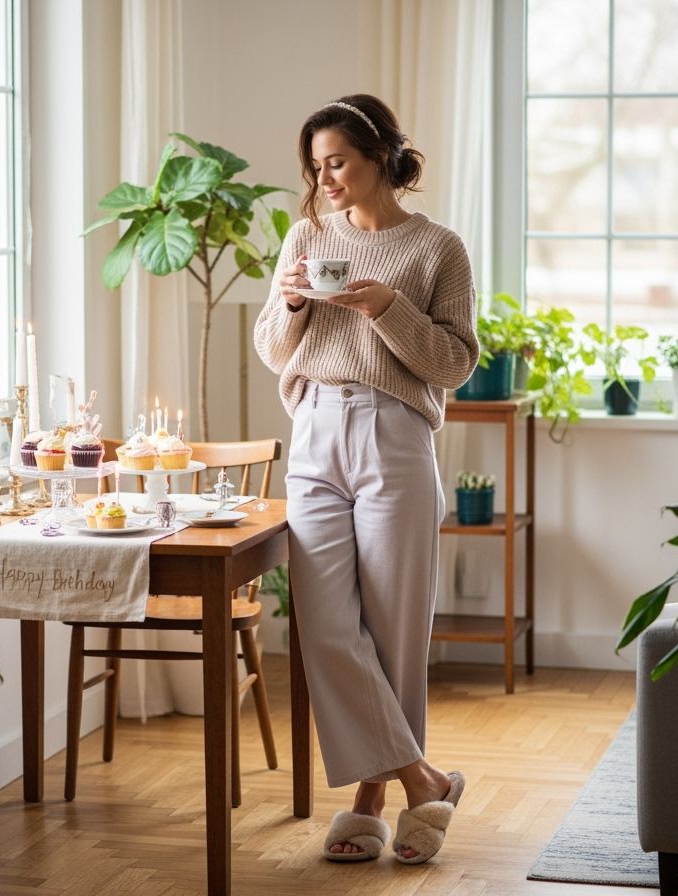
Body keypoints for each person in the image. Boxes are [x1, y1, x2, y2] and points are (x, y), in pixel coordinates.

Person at [253, 94, 479, 865]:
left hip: (394, 437)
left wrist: (388, 309)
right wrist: (290, 302)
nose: (325, 180)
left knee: (393, 634)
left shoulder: (438, 249)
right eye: (317, 167)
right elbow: (274, 350)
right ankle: (424, 779)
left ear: (380, 156)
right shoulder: (308, 236)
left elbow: (454, 363)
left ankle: (370, 799)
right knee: (324, 627)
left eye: (338, 162)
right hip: (315, 432)